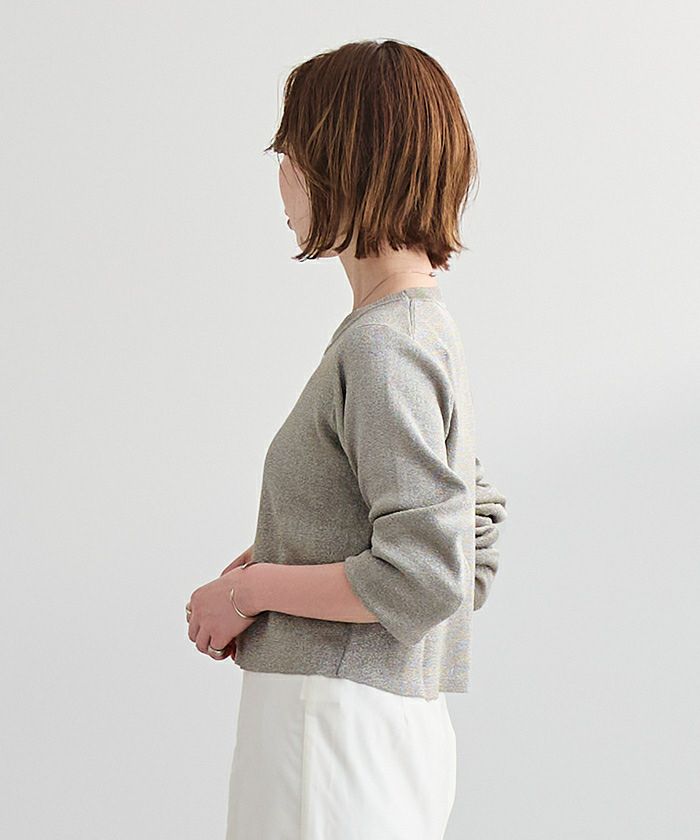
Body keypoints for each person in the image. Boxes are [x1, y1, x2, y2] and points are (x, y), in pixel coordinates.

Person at [185, 38, 507, 840]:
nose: (282, 174)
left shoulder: (384, 346)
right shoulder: (418, 329)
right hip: (365, 729)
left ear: (342, 163)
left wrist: (251, 592)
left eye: (292, 151)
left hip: (329, 734)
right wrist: (275, 559)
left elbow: (427, 574)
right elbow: (467, 530)